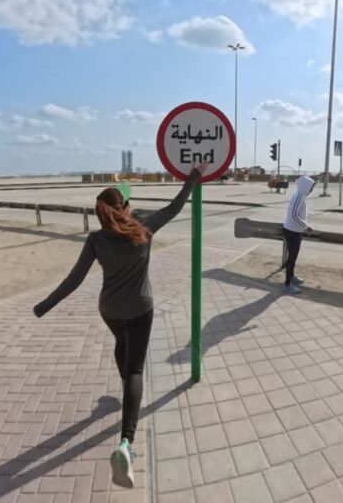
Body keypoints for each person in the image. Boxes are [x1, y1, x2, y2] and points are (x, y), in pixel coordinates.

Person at [32, 162, 208, 488]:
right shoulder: (143, 228)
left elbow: (74, 280)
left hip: (110, 311)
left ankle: (127, 395)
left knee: (122, 348)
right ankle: (126, 443)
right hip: (140, 310)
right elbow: (175, 205)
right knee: (136, 372)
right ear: (123, 209)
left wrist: (44, 306)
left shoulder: (96, 240)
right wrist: (194, 176)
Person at [281, 175, 314, 294]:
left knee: (293, 257)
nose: (311, 190)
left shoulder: (300, 196)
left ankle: (292, 276)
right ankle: (287, 284)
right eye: (310, 187)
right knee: (291, 258)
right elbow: (294, 215)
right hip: (292, 231)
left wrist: (303, 226)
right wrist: (306, 226)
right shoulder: (299, 196)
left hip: (296, 231)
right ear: (306, 186)